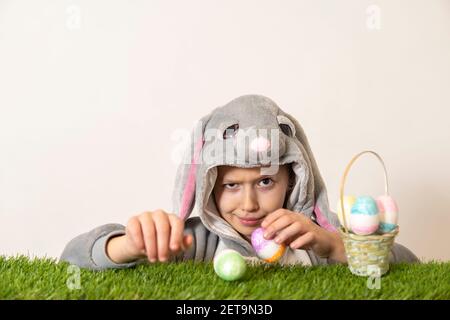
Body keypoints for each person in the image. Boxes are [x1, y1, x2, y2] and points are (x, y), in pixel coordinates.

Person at [60, 94, 419, 270]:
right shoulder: (193, 241)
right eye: (231, 185)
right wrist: (129, 245)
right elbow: (70, 260)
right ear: (209, 185)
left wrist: (337, 247)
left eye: (265, 182)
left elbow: (412, 269)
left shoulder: (312, 241)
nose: (248, 205)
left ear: (293, 179)